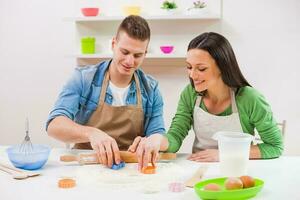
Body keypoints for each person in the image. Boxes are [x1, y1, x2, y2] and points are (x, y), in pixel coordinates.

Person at [131, 32, 284, 168]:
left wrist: (224, 154)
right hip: (198, 169)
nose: (192, 75)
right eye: (189, 67)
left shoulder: (249, 98)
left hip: (236, 170)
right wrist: (157, 140)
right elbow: (176, 137)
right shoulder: (190, 94)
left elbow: (275, 146)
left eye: (201, 69)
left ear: (223, 67)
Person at [46, 15, 165, 169]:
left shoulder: (151, 88)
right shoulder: (83, 78)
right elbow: (54, 125)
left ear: (145, 53)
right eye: (125, 52)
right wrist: (91, 133)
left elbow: (158, 134)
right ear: (114, 44)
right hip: (86, 166)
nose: (130, 61)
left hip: (130, 169)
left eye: (137, 55)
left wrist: (154, 140)